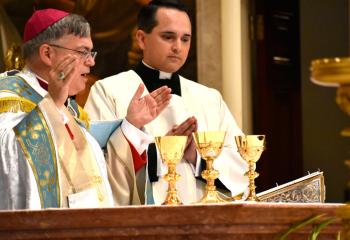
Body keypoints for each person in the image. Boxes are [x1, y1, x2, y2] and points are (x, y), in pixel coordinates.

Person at [0, 8, 171, 209]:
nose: (91, 61)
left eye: (91, 52)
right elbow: (10, 166)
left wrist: (132, 126)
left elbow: (98, 187)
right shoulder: (8, 97)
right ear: (48, 53)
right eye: (82, 52)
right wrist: (52, 104)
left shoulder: (71, 112)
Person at [84, 0, 249, 205]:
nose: (178, 47)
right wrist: (160, 153)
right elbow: (95, 168)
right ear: (142, 39)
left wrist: (198, 158)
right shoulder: (109, 91)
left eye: (185, 39)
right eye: (168, 37)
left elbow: (242, 165)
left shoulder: (209, 98)